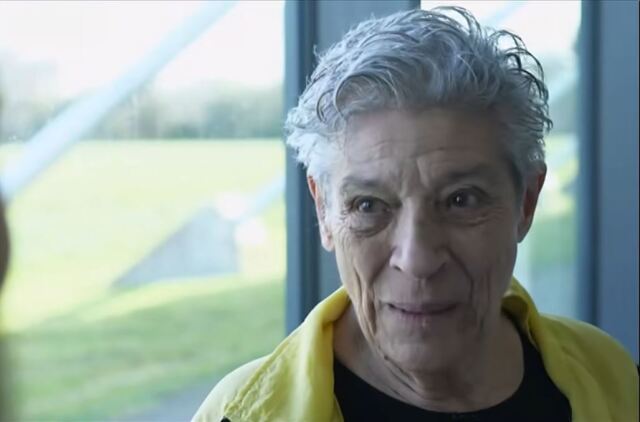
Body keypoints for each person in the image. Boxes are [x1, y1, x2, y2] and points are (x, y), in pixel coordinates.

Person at [193, 7, 638, 422]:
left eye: (461, 200)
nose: (418, 259)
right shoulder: (240, 414)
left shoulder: (612, 378)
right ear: (324, 211)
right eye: (369, 206)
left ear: (526, 202)